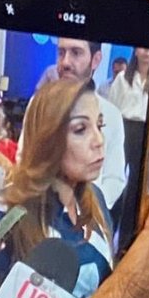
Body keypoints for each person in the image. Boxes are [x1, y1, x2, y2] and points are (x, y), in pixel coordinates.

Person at [0, 77, 117, 298]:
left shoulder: (96, 198)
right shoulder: (5, 210)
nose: (99, 140)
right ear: (48, 138)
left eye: (100, 125)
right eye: (81, 129)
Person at [34, 38, 129, 208]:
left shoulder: (112, 114)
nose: (65, 62)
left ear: (96, 60)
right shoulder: (38, 106)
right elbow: (25, 159)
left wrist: (89, 208)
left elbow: (114, 178)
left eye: (76, 53)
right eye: (61, 53)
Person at [104, 47, 149, 123]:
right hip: (123, 124)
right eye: (143, 47)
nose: (147, 50)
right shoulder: (122, 77)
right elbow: (111, 107)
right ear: (135, 51)